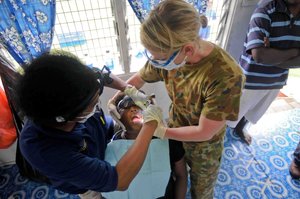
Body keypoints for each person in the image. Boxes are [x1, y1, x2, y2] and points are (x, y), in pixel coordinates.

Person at [108, 0, 245, 198]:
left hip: (204, 147)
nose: (155, 62)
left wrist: (160, 131)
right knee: (173, 172)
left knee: (202, 190)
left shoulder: (226, 76)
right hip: (175, 126)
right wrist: (120, 95)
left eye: (159, 57)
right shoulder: (165, 54)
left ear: (187, 50)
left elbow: (204, 132)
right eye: (152, 55)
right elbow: (140, 78)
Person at [16, 52, 163, 199]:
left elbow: (101, 75)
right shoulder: (47, 152)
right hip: (85, 184)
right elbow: (120, 180)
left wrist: (128, 89)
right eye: (93, 104)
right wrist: (149, 125)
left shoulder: (69, 78)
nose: (98, 104)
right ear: (66, 117)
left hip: (98, 132)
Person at [226, 0, 300, 145]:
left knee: (254, 112)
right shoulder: (265, 11)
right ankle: (219, 138)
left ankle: (239, 129)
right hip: (249, 81)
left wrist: (272, 53)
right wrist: (295, 51)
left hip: (276, 81)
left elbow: (264, 56)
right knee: (230, 116)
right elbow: (259, 55)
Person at [110, 94, 187, 199]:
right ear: (117, 116)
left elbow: (181, 175)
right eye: (126, 105)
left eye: (140, 105)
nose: (133, 109)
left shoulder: (167, 141)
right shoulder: (112, 147)